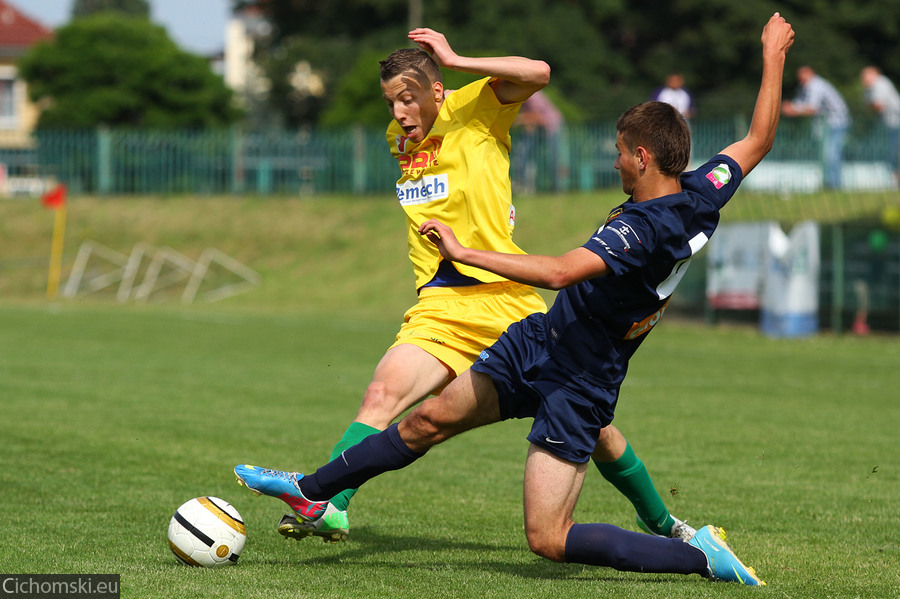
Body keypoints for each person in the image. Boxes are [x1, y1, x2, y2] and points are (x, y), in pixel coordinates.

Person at [236, 14, 793, 583]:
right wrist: (772, 56)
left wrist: (465, 250)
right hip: (539, 340)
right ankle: (310, 489)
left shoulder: (641, 230)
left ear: (644, 157)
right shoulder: (703, 191)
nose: (614, 160)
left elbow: (556, 272)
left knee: (547, 538)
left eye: (620, 152)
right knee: (425, 420)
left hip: (580, 378)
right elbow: (759, 139)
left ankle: (698, 555)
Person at [275, 28, 694, 544]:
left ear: (437, 91)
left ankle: (662, 523)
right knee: (382, 392)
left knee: (595, 428)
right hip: (441, 304)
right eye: (390, 102)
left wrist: (455, 59)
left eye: (408, 98)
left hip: (505, 298)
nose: (400, 112)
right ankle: (328, 506)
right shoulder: (398, 141)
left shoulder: (475, 106)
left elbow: (538, 72)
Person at [782, 65, 850, 189]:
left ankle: (835, 185)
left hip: (836, 123)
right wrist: (792, 106)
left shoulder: (816, 85)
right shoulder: (805, 86)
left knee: (831, 155)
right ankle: (830, 184)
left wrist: (792, 109)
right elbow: (801, 103)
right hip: (825, 125)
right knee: (826, 155)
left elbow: (812, 108)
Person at [512, 89, 565, 192]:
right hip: (539, 129)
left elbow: (538, 117)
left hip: (551, 127)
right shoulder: (524, 98)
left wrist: (520, 120)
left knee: (554, 157)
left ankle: (557, 187)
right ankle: (522, 182)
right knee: (523, 152)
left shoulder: (533, 96)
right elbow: (531, 120)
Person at [860, 65, 900, 181]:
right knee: (893, 152)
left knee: (895, 152)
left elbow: (878, 105)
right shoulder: (870, 87)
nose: (863, 79)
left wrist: (870, 105)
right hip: (890, 124)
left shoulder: (880, 84)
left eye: (865, 76)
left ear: (874, 74)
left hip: (896, 122)